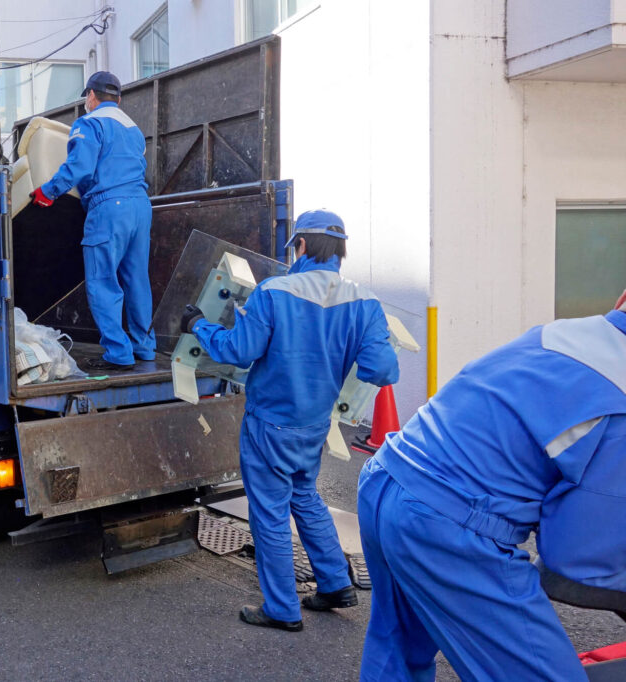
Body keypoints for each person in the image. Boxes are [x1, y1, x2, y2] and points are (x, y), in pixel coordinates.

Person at [357, 289, 626, 681]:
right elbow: (575, 558)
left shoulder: (562, 336)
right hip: (446, 524)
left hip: (388, 475)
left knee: (397, 651)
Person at [180, 209, 400, 631]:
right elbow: (382, 371)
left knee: (270, 513)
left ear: (301, 245)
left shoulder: (273, 292)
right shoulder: (364, 301)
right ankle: (335, 584)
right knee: (305, 497)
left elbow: (238, 351)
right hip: (314, 424)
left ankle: (281, 609)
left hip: (269, 424)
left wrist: (199, 325)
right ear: (340, 250)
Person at [30, 71, 155, 372]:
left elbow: (80, 167)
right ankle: (144, 347)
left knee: (102, 280)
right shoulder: (134, 129)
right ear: (119, 98)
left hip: (109, 208)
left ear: (91, 96)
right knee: (137, 279)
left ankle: (118, 352)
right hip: (140, 206)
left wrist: (48, 191)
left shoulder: (89, 123)